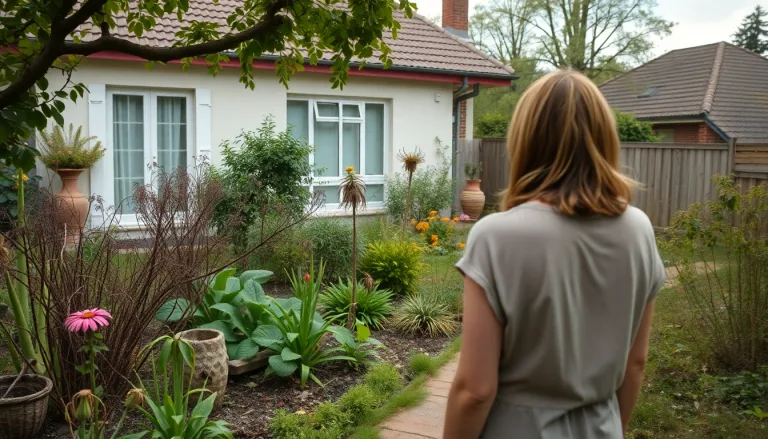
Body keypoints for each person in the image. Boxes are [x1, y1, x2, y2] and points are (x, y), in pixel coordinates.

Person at [443, 69, 665, 439]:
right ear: (605, 139)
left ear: (526, 141)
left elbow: (474, 392)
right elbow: (635, 363)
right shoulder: (638, 230)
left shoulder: (496, 237)